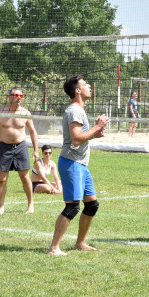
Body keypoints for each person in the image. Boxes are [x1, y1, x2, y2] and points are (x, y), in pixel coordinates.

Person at [48, 75, 109, 255]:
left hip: (81, 164)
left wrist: (93, 133)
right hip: (72, 163)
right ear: (77, 90)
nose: (89, 86)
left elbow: (80, 137)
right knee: (72, 207)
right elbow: (75, 140)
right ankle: (54, 248)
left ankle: (80, 243)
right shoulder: (74, 111)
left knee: (92, 205)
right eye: (85, 84)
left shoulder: (79, 111)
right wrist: (97, 127)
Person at [0, 87, 39, 214]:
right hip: (5, 147)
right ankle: (1, 207)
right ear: (9, 97)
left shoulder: (26, 113)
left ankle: (30, 205)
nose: (18, 98)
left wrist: (36, 150)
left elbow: (33, 132)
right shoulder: (0, 113)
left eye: (21, 96)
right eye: (16, 95)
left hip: (21, 147)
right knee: (2, 179)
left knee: (25, 177)